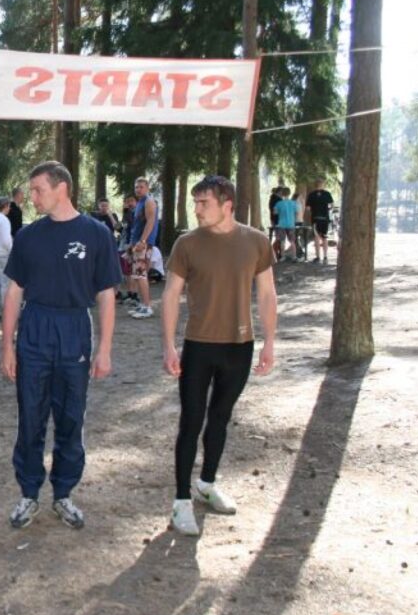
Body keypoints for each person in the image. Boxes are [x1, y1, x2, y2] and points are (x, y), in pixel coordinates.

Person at [0, 161, 119, 530]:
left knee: (71, 416)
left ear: (61, 188)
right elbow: (14, 291)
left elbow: (106, 295)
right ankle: (29, 493)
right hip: (35, 328)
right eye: (31, 191)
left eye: (38, 190)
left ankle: (64, 493)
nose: (32, 197)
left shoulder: (96, 234)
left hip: (73, 329)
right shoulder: (28, 237)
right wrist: (7, 345)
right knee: (31, 415)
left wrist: (104, 348)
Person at [161, 175, 276, 537]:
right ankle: (181, 501)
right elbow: (170, 295)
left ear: (227, 204)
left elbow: (268, 293)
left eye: (203, 203)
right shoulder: (187, 244)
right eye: (194, 202)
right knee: (191, 422)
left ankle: (206, 484)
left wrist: (270, 341)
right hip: (198, 346)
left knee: (220, 419)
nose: (196, 210)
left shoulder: (256, 242)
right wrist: (168, 344)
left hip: (239, 347)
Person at [127, 178, 159, 319]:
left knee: (141, 274)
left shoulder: (149, 201)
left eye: (141, 187)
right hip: (136, 243)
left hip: (143, 244)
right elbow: (137, 225)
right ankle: (143, 304)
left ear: (147, 188)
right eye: (136, 187)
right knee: (137, 275)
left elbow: (151, 221)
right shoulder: (139, 203)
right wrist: (132, 243)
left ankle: (147, 307)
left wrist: (143, 241)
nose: (138, 189)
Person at [305, 180, 335, 263]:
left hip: (315, 218)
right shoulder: (327, 194)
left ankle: (318, 257)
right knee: (324, 237)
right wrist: (327, 209)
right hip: (325, 218)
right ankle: (325, 257)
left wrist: (313, 210)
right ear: (323, 185)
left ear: (315, 185)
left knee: (316, 237)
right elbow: (332, 205)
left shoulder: (311, 195)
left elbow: (307, 208)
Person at [272, 187, 299, 262]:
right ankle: (294, 256)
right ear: (289, 193)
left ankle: (283, 257)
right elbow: (297, 212)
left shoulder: (279, 203)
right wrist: (294, 220)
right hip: (291, 224)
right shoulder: (293, 203)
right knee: (292, 241)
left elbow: (275, 213)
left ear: (282, 194)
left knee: (282, 241)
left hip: (281, 224)